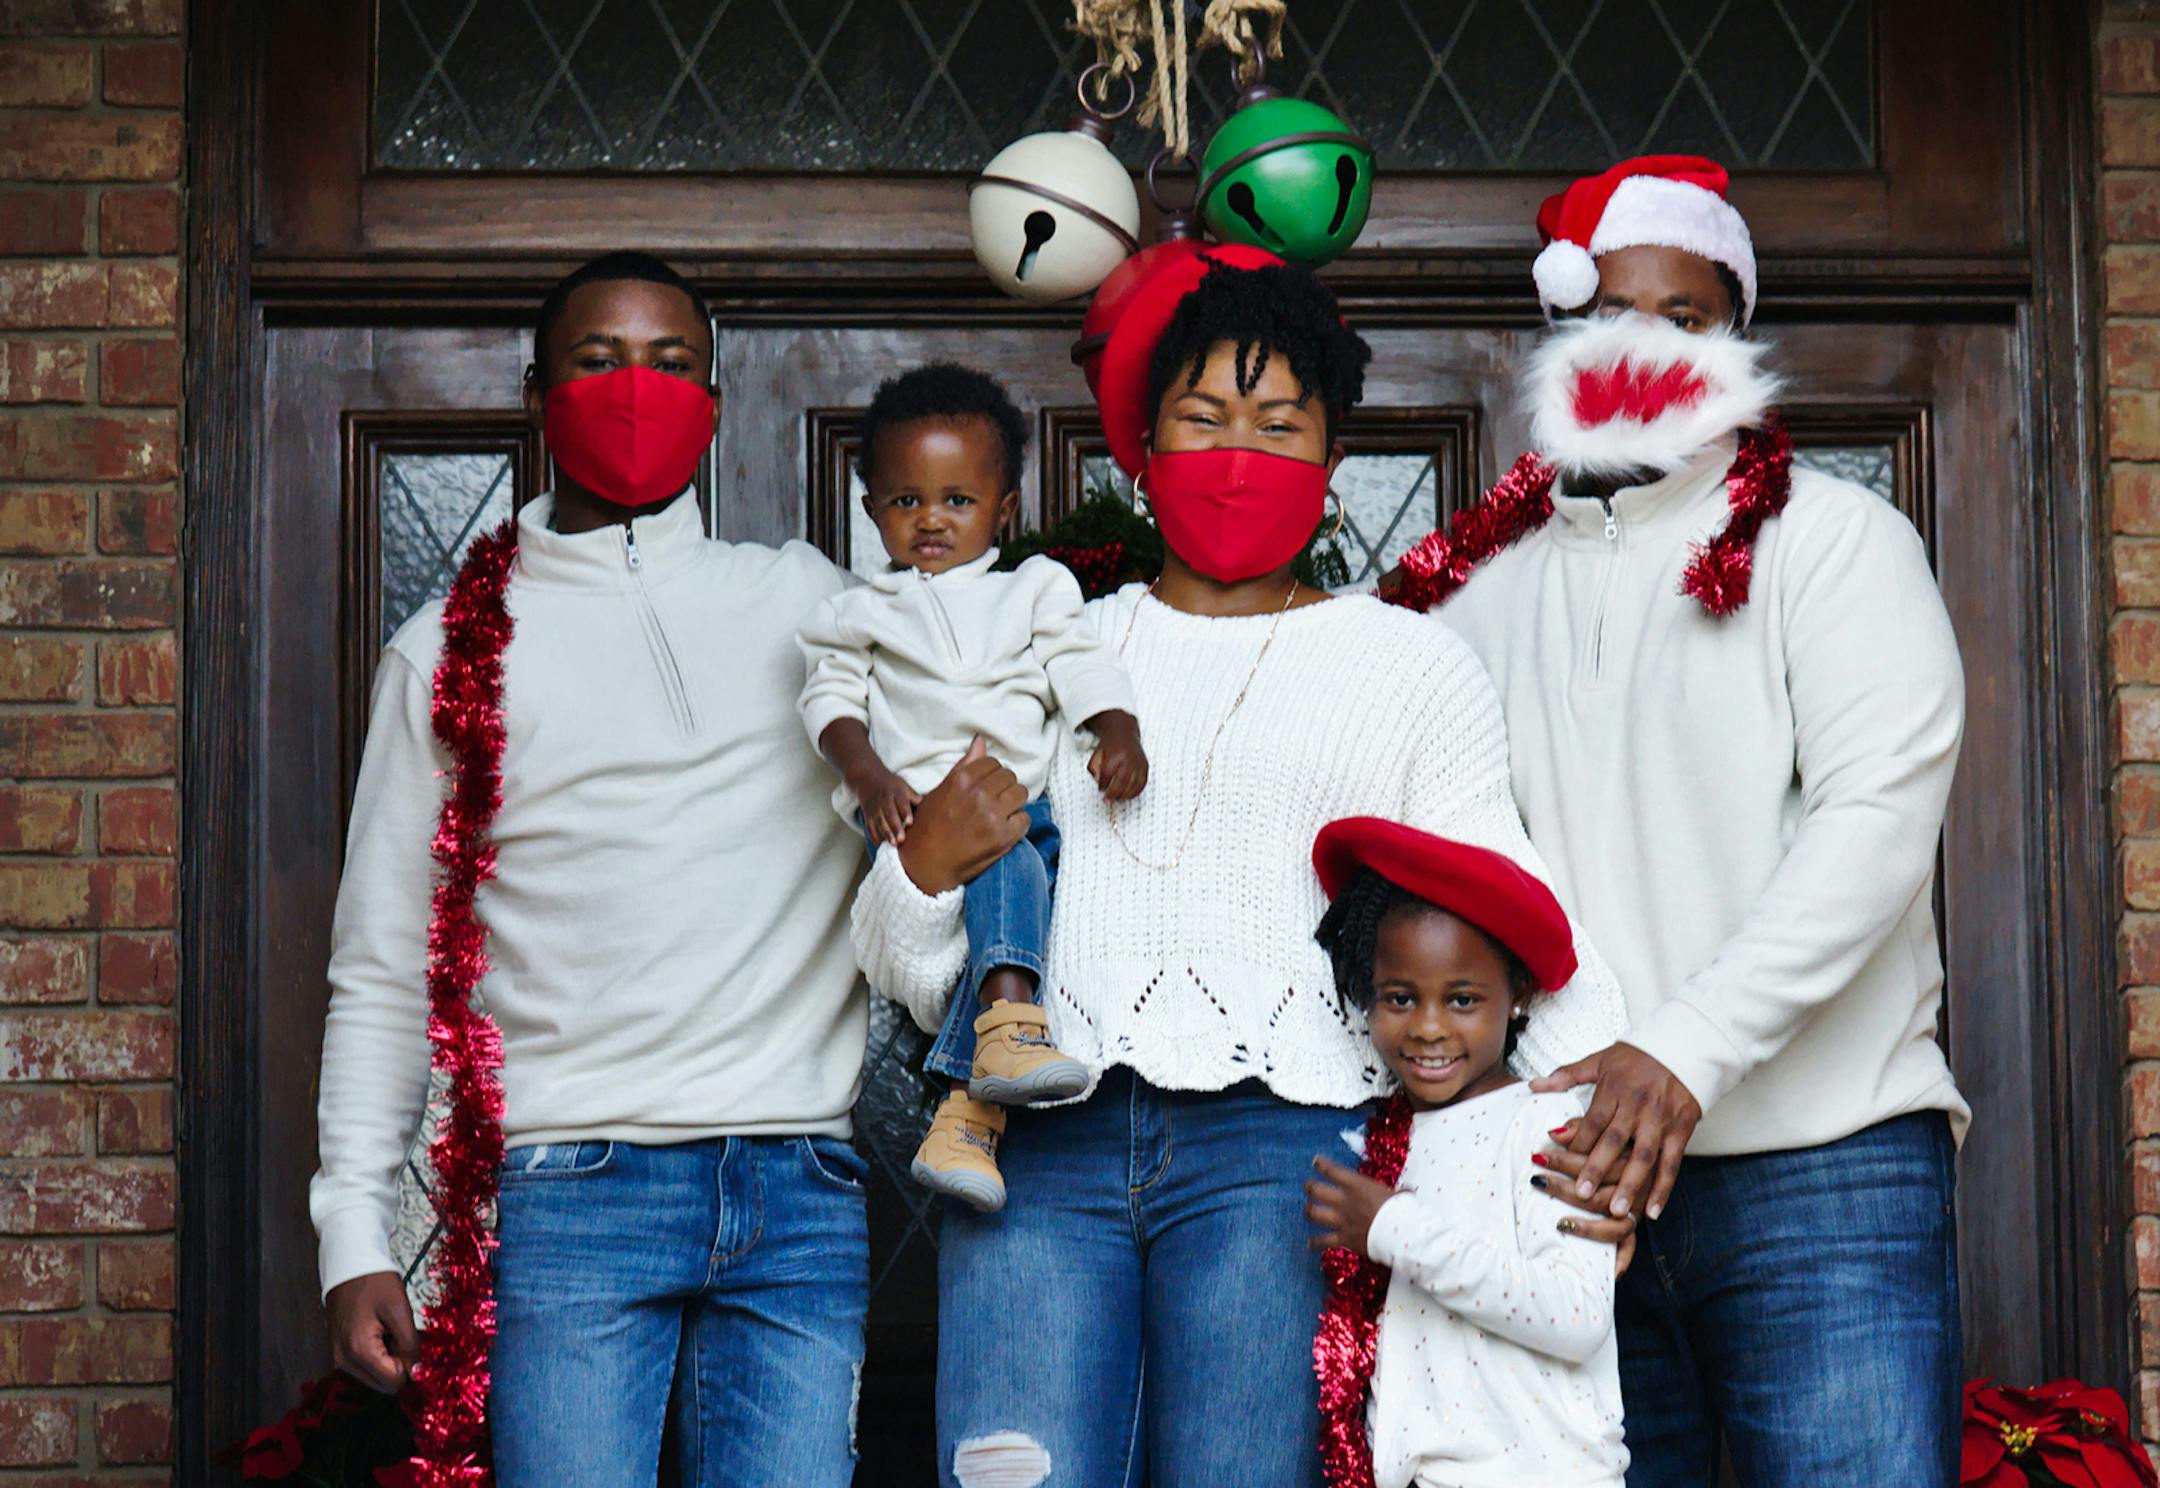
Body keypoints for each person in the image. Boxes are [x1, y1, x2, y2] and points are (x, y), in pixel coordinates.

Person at [849, 247, 1630, 1488]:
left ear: (1331, 469)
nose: (1237, 453)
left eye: (1279, 425)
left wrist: (1594, 1143)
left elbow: (1508, 912)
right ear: (1143, 450)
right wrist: (919, 874)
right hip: (1031, 1148)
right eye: (1204, 418)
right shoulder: (1049, 649)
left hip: (1286, 1157)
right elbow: (900, 965)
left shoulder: (1410, 667)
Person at [1384, 156, 1968, 1485]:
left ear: (1735, 340)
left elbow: (1876, 818)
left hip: (1820, 1172)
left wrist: (1684, 1053)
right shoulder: (1476, 602)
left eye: (1683, 317)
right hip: (1567, 1192)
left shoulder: (1837, 544)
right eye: (1605, 316)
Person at [311, 252, 869, 1487]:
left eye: (672, 365)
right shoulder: (442, 653)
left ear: (714, 401)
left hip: (799, 1183)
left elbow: (970, 701)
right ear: (536, 392)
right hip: (571, 1191)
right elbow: (383, 963)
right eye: (598, 360)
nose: (636, 389)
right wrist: (351, 1230)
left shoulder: (810, 607)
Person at [799, 362, 1148, 1212]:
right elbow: (830, 702)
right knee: (1008, 873)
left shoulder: (1033, 590)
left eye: (957, 500)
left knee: (1019, 879)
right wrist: (871, 775)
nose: (929, 520)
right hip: (922, 818)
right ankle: (1008, 1030)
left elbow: (1080, 662)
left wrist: (1119, 729)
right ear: (872, 508)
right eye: (905, 500)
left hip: (1025, 810)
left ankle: (964, 1111)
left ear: (1005, 510)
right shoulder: (856, 612)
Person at [1305, 817, 1626, 1488]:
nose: (1427, 1027)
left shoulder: (1543, 1126)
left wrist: (1394, 1228)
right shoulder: (1388, 1140)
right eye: (1399, 997)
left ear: (1519, 998)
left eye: (1461, 999)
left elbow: (1575, 1314)